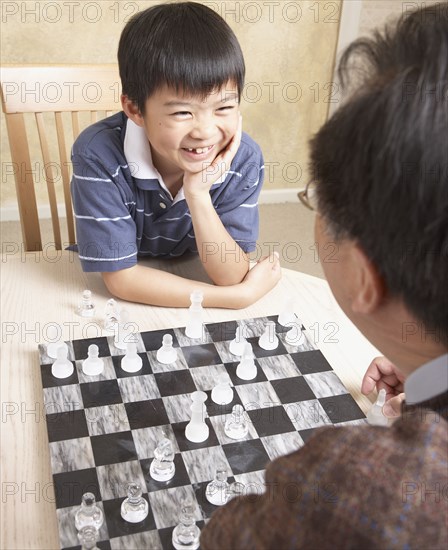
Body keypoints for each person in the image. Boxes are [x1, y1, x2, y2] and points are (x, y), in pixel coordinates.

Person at [201, 3, 448, 548]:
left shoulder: (348, 488)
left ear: (364, 275)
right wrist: (429, 372)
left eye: (317, 202)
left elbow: (222, 537)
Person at [70, 2, 281, 308]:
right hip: (118, 300)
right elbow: (121, 279)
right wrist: (236, 298)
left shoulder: (243, 158)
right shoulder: (97, 154)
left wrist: (197, 193)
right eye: (183, 112)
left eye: (223, 108)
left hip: (189, 271)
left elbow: (230, 274)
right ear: (134, 109)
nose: (205, 131)